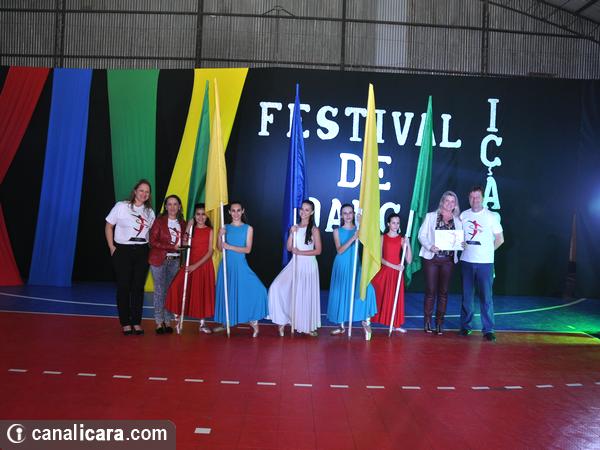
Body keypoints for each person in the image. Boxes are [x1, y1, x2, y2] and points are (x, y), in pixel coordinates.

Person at [105, 179, 155, 335]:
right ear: (135, 191)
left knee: (138, 287)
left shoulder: (149, 212)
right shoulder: (121, 206)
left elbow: (152, 234)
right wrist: (112, 247)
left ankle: (136, 322)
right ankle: (125, 322)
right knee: (124, 286)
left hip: (142, 251)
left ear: (149, 195)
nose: (144, 194)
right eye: (141, 190)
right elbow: (108, 226)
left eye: (147, 192)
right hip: (123, 251)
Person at [214, 202, 268, 337]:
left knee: (259, 289)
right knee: (227, 294)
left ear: (242, 211)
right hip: (226, 266)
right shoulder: (225, 227)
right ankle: (226, 322)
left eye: (238, 210)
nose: (236, 213)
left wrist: (229, 246)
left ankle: (253, 320)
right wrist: (219, 235)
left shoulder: (248, 228)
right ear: (229, 212)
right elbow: (220, 248)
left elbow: (247, 249)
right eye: (233, 211)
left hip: (240, 265)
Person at [269, 199, 322, 337]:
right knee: (276, 287)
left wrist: (300, 252)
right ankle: (282, 320)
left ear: (312, 212)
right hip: (295, 264)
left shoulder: (314, 229)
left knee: (305, 296)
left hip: (309, 266)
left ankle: (307, 326)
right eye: (302, 209)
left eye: (307, 210)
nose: (303, 212)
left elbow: (318, 251)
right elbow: (288, 248)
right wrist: (292, 233)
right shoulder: (295, 227)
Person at [459, 186, 504, 342]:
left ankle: (488, 329)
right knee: (467, 297)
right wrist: (460, 243)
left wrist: (488, 251)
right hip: (466, 261)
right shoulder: (463, 215)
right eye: (472, 197)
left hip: (485, 263)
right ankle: (465, 326)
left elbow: (500, 239)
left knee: (486, 297)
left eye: (477, 197)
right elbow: (459, 237)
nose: (475, 200)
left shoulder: (491, 216)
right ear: (469, 199)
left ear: (483, 198)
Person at [326, 203, 377, 340]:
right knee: (342, 293)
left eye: (350, 212)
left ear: (354, 214)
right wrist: (353, 238)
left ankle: (366, 321)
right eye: (345, 213)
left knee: (367, 290)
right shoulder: (337, 231)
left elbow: (370, 242)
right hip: (342, 265)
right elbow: (340, 250)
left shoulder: (359, 229)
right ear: (341, 215)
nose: (348, 215)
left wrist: (362, 225)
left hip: (356, 265)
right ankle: (341, 325)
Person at [418, 191, 463, 335]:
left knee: (443, 292)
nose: (449, 204)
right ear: (442, 202)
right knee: (431, 290)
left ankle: (439, 323)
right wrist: (430, 246)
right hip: (432, 258)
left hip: (448, 261)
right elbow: (421, 235)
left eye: (452, 201)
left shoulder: (458, 221)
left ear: (455, 204)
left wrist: (462, 244)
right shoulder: (431, 216)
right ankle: (427, 322)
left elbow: (460, 241)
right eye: (447, 201)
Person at [166, 204, 215, 333]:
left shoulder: (210, 230)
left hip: (203, 266)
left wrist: (195, 266)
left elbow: (210, 252)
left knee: (202, 293)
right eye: (198, 214)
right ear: (194, 216)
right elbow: (184, 243)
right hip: (190, 263)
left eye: (203, 214)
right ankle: (178, 319)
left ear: (207, 216)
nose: (201, 217)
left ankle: (202, 324)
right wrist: (188, 226)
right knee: (175, 287)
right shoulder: (191, 229)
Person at [148, 195, 186, 334]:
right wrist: (171, 247)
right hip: (159, 260)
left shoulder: (183, 223)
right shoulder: (159, 221)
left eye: (175, 204)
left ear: (179, 206)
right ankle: (159, 322)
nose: (172, 207)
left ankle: (168, 320)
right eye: (169, 204)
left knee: (170, 291)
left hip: (175, 261)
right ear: (165, 206)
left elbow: (184, 240)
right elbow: (152, 241)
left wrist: (184, 244)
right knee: (159, 290)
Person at [370, 213, 412, 333]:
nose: (396, 225)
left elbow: (409, 260)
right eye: (393, 223)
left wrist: (408, 245)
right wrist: (395, 266)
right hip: (385, 272)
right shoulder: (382, 238)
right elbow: (379, 258)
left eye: (397, 223)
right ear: (388, 224)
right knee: (378, 295)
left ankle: (395, 324)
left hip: (396, 274)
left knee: (395, 298)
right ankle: (369, 320)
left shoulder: (401, 239)